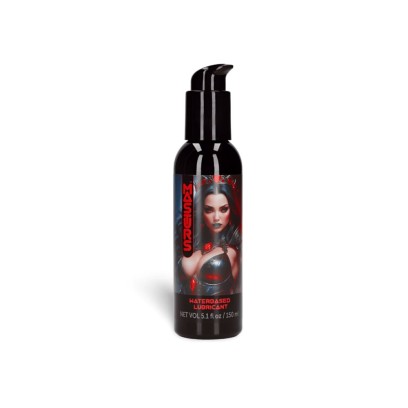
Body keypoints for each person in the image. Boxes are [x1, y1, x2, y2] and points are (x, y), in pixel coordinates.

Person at [177, 177, 241, 295]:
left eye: (223, 209)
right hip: (185, 305)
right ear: (201, 211)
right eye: (209, 210)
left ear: (231, 211)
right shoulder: (190, 241)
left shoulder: (235, 252)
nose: (216, 218)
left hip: (223, 306)